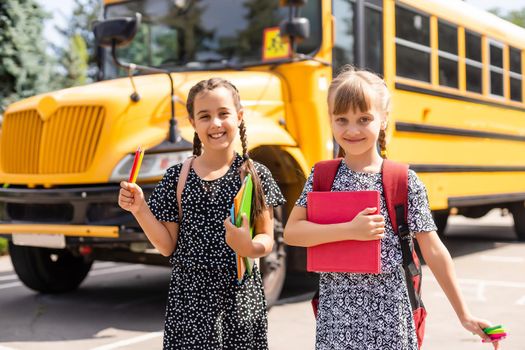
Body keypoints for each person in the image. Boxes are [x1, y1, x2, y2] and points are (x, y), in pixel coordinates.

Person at [283, 66, 500, 350]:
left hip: (390, 317)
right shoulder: (322, 176)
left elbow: (433, 250)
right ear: (330, 120)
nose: (352, 129)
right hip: (336, 317)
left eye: (364, 119)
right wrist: (350, 230)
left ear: (384, 119)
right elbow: (293, 232)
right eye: (342, 119)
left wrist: (464, 314)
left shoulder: (402, 180)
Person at [118, 78, 285, 350]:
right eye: (204, 116)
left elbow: (267, 239)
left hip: (240, 301)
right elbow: (166, 245)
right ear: (193, 123)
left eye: (223, 114)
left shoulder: (255, 175)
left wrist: (249, 246)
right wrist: (139, 209)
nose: (215, 123)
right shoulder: (176, 177)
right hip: (190, 302)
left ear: (239, 117)